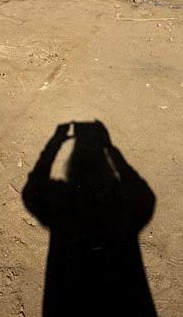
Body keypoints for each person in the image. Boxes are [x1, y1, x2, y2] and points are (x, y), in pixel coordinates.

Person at [22, 121, 157, 315]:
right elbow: (145, 196)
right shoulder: (119, 200)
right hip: (124, 298)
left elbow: (31, 192)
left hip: (67, 296)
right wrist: (111, 150)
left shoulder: (61, 197)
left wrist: (55, 142)